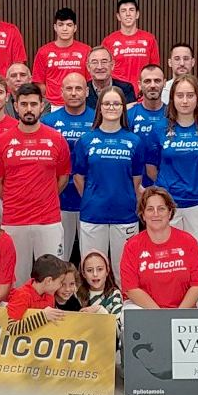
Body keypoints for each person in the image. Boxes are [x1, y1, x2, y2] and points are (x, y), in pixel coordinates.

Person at [151, 75, 198, 307]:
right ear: (171, 98)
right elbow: (152, 168)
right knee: (168, 261)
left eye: (190, 95)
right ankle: (168, 309)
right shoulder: (159, 129)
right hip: (168, 207)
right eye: (180, 95)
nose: (184, 101)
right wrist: (167, 190)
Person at [0, 83, 69, 283]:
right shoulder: (1, 141)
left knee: (52, 280)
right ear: (15, 106)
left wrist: (44, 197)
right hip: (14, 221)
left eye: (33, 104)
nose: (29, 109)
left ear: (42, 106)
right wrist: (15, 199)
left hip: (48, 221)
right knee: (17, 281)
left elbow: (63, 178)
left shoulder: (57, 139)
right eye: (24, 104)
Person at [75, 86, 144, 278]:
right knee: (93, 273)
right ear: (99, 107)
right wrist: (93, 197)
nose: (111, 107)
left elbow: (136, 180)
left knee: (125, 273)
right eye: (106, 103)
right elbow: (79, 178)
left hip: (125, 215)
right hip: (93, 214)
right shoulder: (85, 140)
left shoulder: (135, 141)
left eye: (116, 103)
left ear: (123, 107)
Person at [119, 187, 198, 309]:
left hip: (182, 310)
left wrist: (178, 314)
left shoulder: (188, 242)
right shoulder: (132, 246)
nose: (156, 214)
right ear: (143, 215)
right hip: (146, 310)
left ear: (170, 213)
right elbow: (131, 288)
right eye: (150, 209)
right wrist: (160, 315)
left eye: (161, 209)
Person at [43, 74, 94, 259]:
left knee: (91, 257)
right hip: (59, 199)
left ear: (86, 92)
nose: (74, 93)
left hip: (89, 198)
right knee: (59, 257)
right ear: (61, 92)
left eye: (78, 88)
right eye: (69, 89)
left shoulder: (98, 118)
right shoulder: (48, 122)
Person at [33, 7, 91, 107]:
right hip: (52, 105)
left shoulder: (86, 51)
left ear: (75, 28)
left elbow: (89, 81)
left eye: (69, 25)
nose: (65, 29)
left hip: (79, 104)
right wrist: (51, 100)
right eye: (61, 25)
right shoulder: (43, 52)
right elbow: (39, 83)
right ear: (55, 27)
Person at [101, 0, 160, 92]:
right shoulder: (108, 41)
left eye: (131, 10)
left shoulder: (149, 39)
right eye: (123, 11)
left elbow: (155, 70)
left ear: (137, 14)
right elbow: (103, 70)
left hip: (143, 93)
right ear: (118, 16)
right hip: (117, 94)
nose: (128, 14)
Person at [5, 254, 67, 335]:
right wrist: (43, 316)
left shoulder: (50, 295)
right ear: (48, 281)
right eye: (60, 282)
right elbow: (10, 328)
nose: (60, 286)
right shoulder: (22, 295)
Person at [127, 64, 168, 183]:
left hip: (168, 186)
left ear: (164, 83)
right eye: (147, 81)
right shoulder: (129, 115)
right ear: (139, 85)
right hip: (134, 185)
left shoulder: (173, 115)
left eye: (157, 81)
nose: (153, 85)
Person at [78, 250, 123, 328]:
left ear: (107, 271)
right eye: (89, 270)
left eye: (100, 269)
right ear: (84, 273)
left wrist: (100, 310)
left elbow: (118, 330)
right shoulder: (76, 294)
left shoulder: (114, 294)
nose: (95, 274)